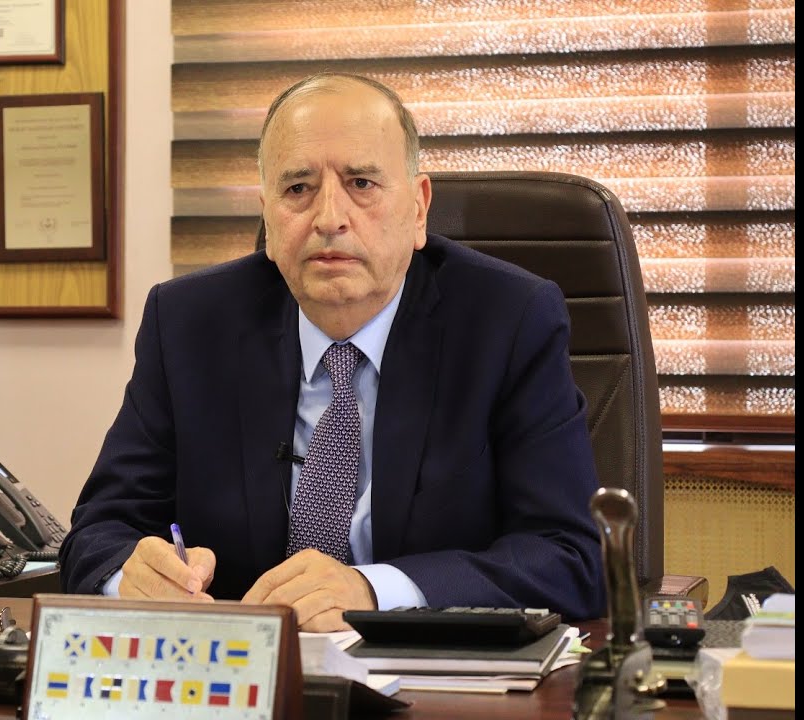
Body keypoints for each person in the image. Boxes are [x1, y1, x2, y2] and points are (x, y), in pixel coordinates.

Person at [58, 72, 605, 632]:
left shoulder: (508, 320)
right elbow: (98, 532)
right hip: (244, 667)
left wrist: (373, 590)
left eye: (361, 183)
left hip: (432, 670)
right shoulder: (189, 324)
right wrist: (134, 579)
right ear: (268, 215)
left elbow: (571, 557)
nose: (329, 218)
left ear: (419, 209)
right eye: (298, 189)